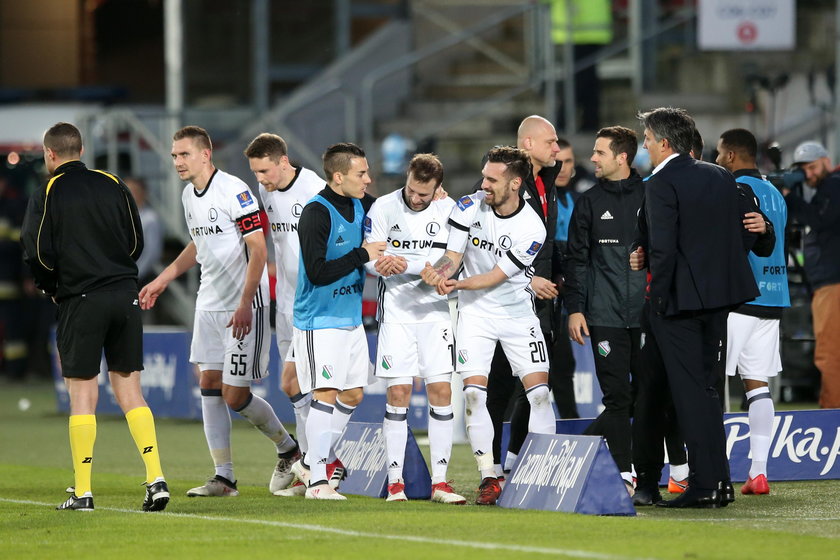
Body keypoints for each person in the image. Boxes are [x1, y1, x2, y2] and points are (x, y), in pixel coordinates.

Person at [140, 125, 299, 498]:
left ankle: (288, 449)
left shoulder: (235, 192)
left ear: (205, 154)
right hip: (208, 302)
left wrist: (246, 303)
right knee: (208, 385)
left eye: (184, 154)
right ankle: (224, 478)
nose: (178, 161)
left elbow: (259, 249)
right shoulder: (187, 195)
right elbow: (198, 244)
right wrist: (163, 278)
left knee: (234, 395)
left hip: (244, 304)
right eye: (175, 155)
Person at [21, 122, 169, 511]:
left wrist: (53, 287)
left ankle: (83, 491)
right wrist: (118, 274)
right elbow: (136, 241)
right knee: (130, 392)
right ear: (81, 149)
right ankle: (156, 478)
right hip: (123, 295)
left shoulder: (48, 192)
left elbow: (36, 252)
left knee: (83, 396)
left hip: (80, 299)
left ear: (49, 154)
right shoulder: (113, 183)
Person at [632, 107, 764, 508]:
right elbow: (741, 235)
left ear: (666, 144)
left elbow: (665, 248)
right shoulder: (721, 175)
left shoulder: (659, 183)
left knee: (687, 395)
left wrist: (657, 299)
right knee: (707, 392)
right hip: (718, 303)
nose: (646, 146)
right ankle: (718, 482)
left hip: (677, 306)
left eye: (649, 140)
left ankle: (704, 485)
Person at [422, 146, 557, 506]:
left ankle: (541, 475)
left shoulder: (532, 227)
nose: (483, 185)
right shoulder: (469, 206)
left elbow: (496, 277)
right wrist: (440, 271)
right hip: (475, 315)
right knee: (473, 394)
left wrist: (455, 283)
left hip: (516, 314)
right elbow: (453, 255)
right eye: (483, 176)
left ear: (515, 183)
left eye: (492, 180)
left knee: (540, 395)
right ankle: (489, 476)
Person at [363, 153, 466, 504]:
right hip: (396, 315)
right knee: (398, 395)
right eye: (412, 189)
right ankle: (395, 484)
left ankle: (440, 483)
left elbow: (453, 257)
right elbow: (370, 257)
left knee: (441, 391)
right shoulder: (383, 207)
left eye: (425, 193)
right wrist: (383, 264)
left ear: (437, 188)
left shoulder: (449, 209)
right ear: (406, 178)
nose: (417, 198)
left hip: (435, 313)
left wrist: (426, 268)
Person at [289, 142, 385, 500]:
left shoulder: (364, 204)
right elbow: (316, 272)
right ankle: (317, 481)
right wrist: (361, 254)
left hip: (350, 317)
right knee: (325, 394)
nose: (368, 179)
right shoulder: (316, 213)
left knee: (354, 393)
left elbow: (396, 207)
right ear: (339, 175)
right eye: (361, 174)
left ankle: (314, 460)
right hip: (319, 318)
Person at [564, 126, 645, 496]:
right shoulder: (589, 202)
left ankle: (573, 456)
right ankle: (627, 475)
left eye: (599, 152)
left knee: (646, 397)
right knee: (616, 398)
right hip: (604, 316)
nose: (592, 159)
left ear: (622, 157)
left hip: (649, 316)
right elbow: (577, 262)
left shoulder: (653, 195)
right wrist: (576, 310)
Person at [244, 133, 325, 495]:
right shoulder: (267, 191)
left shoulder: (315, 188)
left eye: (264, 170)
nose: (260, 179)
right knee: (299, 394)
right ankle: (310, 468)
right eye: (255, 172)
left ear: (283, 161)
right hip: (286, 302)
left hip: (315, 302)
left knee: (302, 386)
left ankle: (319, 467)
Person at [716, 128, 790, 495]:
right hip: (774, 299)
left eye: (718, 154)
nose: (716, 161)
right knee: (757, 387)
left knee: (711, 383)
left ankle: (708, 470)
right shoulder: (776, 193)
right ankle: (758, 472)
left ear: (731, 156)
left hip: (739, 300)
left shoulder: (733, 190)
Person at [485, 115, 560, 480]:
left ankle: (517, 459)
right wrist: (529, 280)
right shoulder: (497, 182)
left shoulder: (547, 181)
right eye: (551, 142)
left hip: (539, 305)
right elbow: (485, 247)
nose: (556, 149)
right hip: (502, 301)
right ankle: (493, 468)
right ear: (528, 144)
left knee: (536, 383)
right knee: (498, 386)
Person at [784, 141, 840, 409]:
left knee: (830, 354)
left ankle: (831, 418)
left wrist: (788, 196)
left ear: (827, 161)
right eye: (804, 169)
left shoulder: (834, 185)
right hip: (828, 284)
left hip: (833, 285)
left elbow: (819, 220)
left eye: (813, 167)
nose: (809, 174)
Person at [551, 139, 579, 420]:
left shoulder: (581, 202)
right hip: (539, 290)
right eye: (558, 161)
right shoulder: (532, 199)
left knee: (563, 366)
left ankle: (572, 424)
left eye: (568, 162)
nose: (562, 168)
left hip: (569, 292)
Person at [124, 177, 163, 288]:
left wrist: (135, 275)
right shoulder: (120, 216)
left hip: (140, 278)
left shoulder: (150, 219)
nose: (129, 195)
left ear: (143, 193)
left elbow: (152, 253)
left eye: (134, 191)